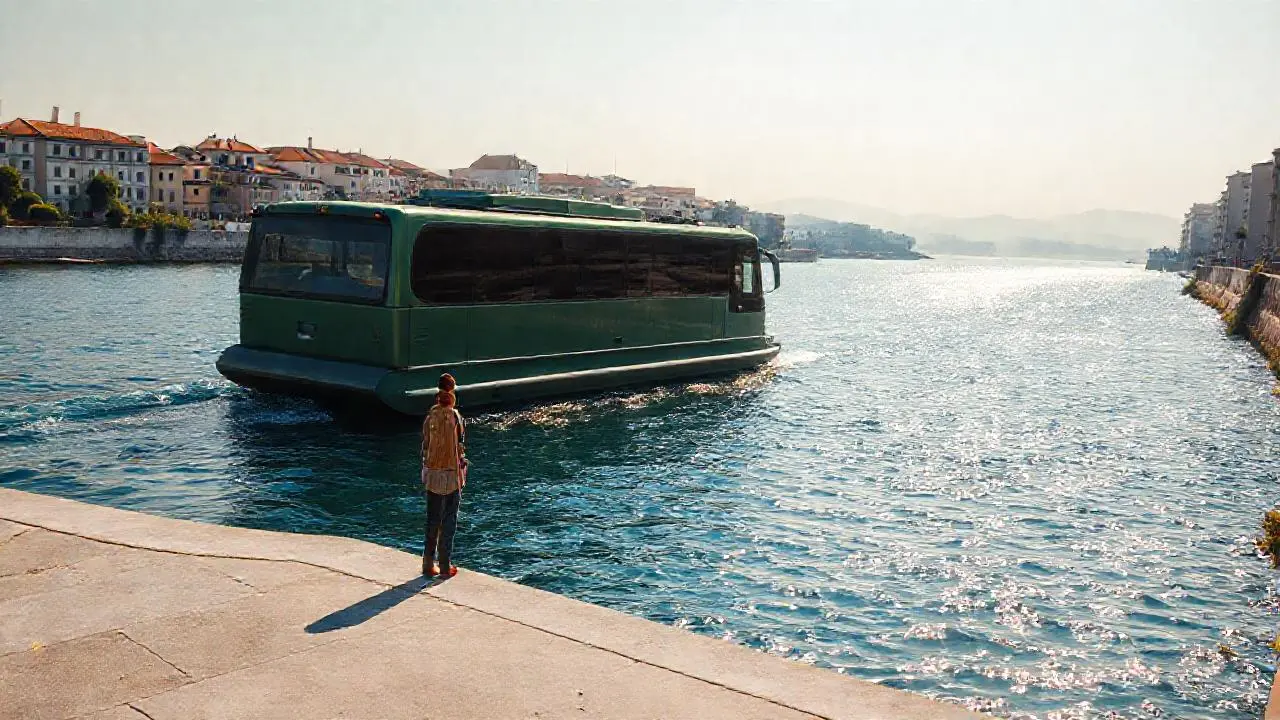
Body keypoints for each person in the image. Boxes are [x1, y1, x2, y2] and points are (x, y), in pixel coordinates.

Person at [421, 373, 466, 577]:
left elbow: (425, 445)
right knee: (448, 521)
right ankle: (446, 566)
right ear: (452, 392)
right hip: (450, 476)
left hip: (432, 475)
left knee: (432, 520)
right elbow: (460, 447)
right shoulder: (455, 417)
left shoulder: (430, 416)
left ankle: (428, 563)